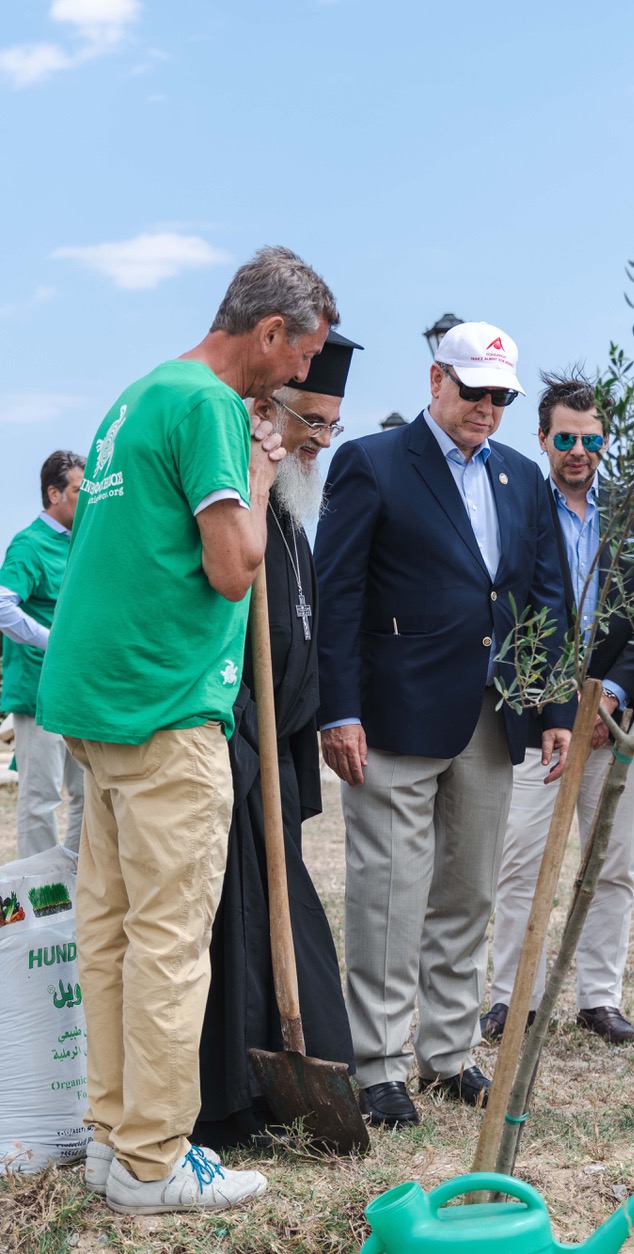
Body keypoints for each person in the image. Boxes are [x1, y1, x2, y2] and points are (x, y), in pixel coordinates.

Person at [36, 246, 335, 1213]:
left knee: (113, 934)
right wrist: (255, 463)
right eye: (301, 357)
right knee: (169, 940)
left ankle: (110, 1138)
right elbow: (233, 565)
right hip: (165, 710)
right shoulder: (212, 408)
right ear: (269, 332)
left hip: (98, 707)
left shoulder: (138, 396)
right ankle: (157, 1162)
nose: (301, 378)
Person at [313, 322, 574, 1128]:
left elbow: (546, 602)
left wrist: (555, 707)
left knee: (466, 894)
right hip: (390, 720)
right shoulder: (374, 464)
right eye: (474, 393)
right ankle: (379, 1064)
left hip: (492, 722)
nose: (487, 410)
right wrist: (340, 708)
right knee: (389, 895)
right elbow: (338, 596)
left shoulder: (524, 481)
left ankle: (448, 1052)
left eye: (501, 397)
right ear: (436, 381)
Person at [195, 332, 362, 1149]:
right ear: (269, 407)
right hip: (232, 745)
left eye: (333, 424)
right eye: (312, 421)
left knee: (284, 917)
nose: (321, 440)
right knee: (236, 928)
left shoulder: (294, 504)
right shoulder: (248, 489)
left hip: (280, 754)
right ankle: (229, 1103)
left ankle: (305, 1073)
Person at [482, 371, 634, 1047]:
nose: (578, 451)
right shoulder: (518, 510)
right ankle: (511, 997)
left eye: (590, 439)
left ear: (605, 440)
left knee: (610, 860)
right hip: (539, 717)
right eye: (565, 437)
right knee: (523, 860)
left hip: (619, 718)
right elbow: (507, 616)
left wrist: (613, 695)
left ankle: (599, 997)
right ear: (542, 438)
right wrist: (558, 703)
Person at [0, 451, 86, 858]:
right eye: (76, 490)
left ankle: (70, 893)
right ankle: (38, 910)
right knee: (41, 801)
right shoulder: (29, 545)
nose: (85, 498)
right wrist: (54, 641)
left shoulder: (79, 544)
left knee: (89, 795)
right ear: (53, 493)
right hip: (37, 695)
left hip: (77, 694)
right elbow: (2, 606)